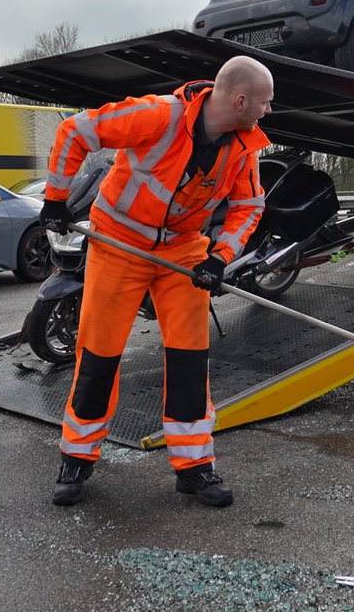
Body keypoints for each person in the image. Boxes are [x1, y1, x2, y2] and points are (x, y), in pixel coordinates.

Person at [37, 55, 275, 507]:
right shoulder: (158, 115)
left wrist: (220, 257)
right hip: (118, 244)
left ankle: (194, 467)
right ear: (240, 100)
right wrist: (55, 198)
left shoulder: (245, 147)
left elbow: (250, 206)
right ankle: (77, 458)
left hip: (182, 251)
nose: (268, 111)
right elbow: (77, 131)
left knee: (190, 358)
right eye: (264, 102)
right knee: (99, 354)